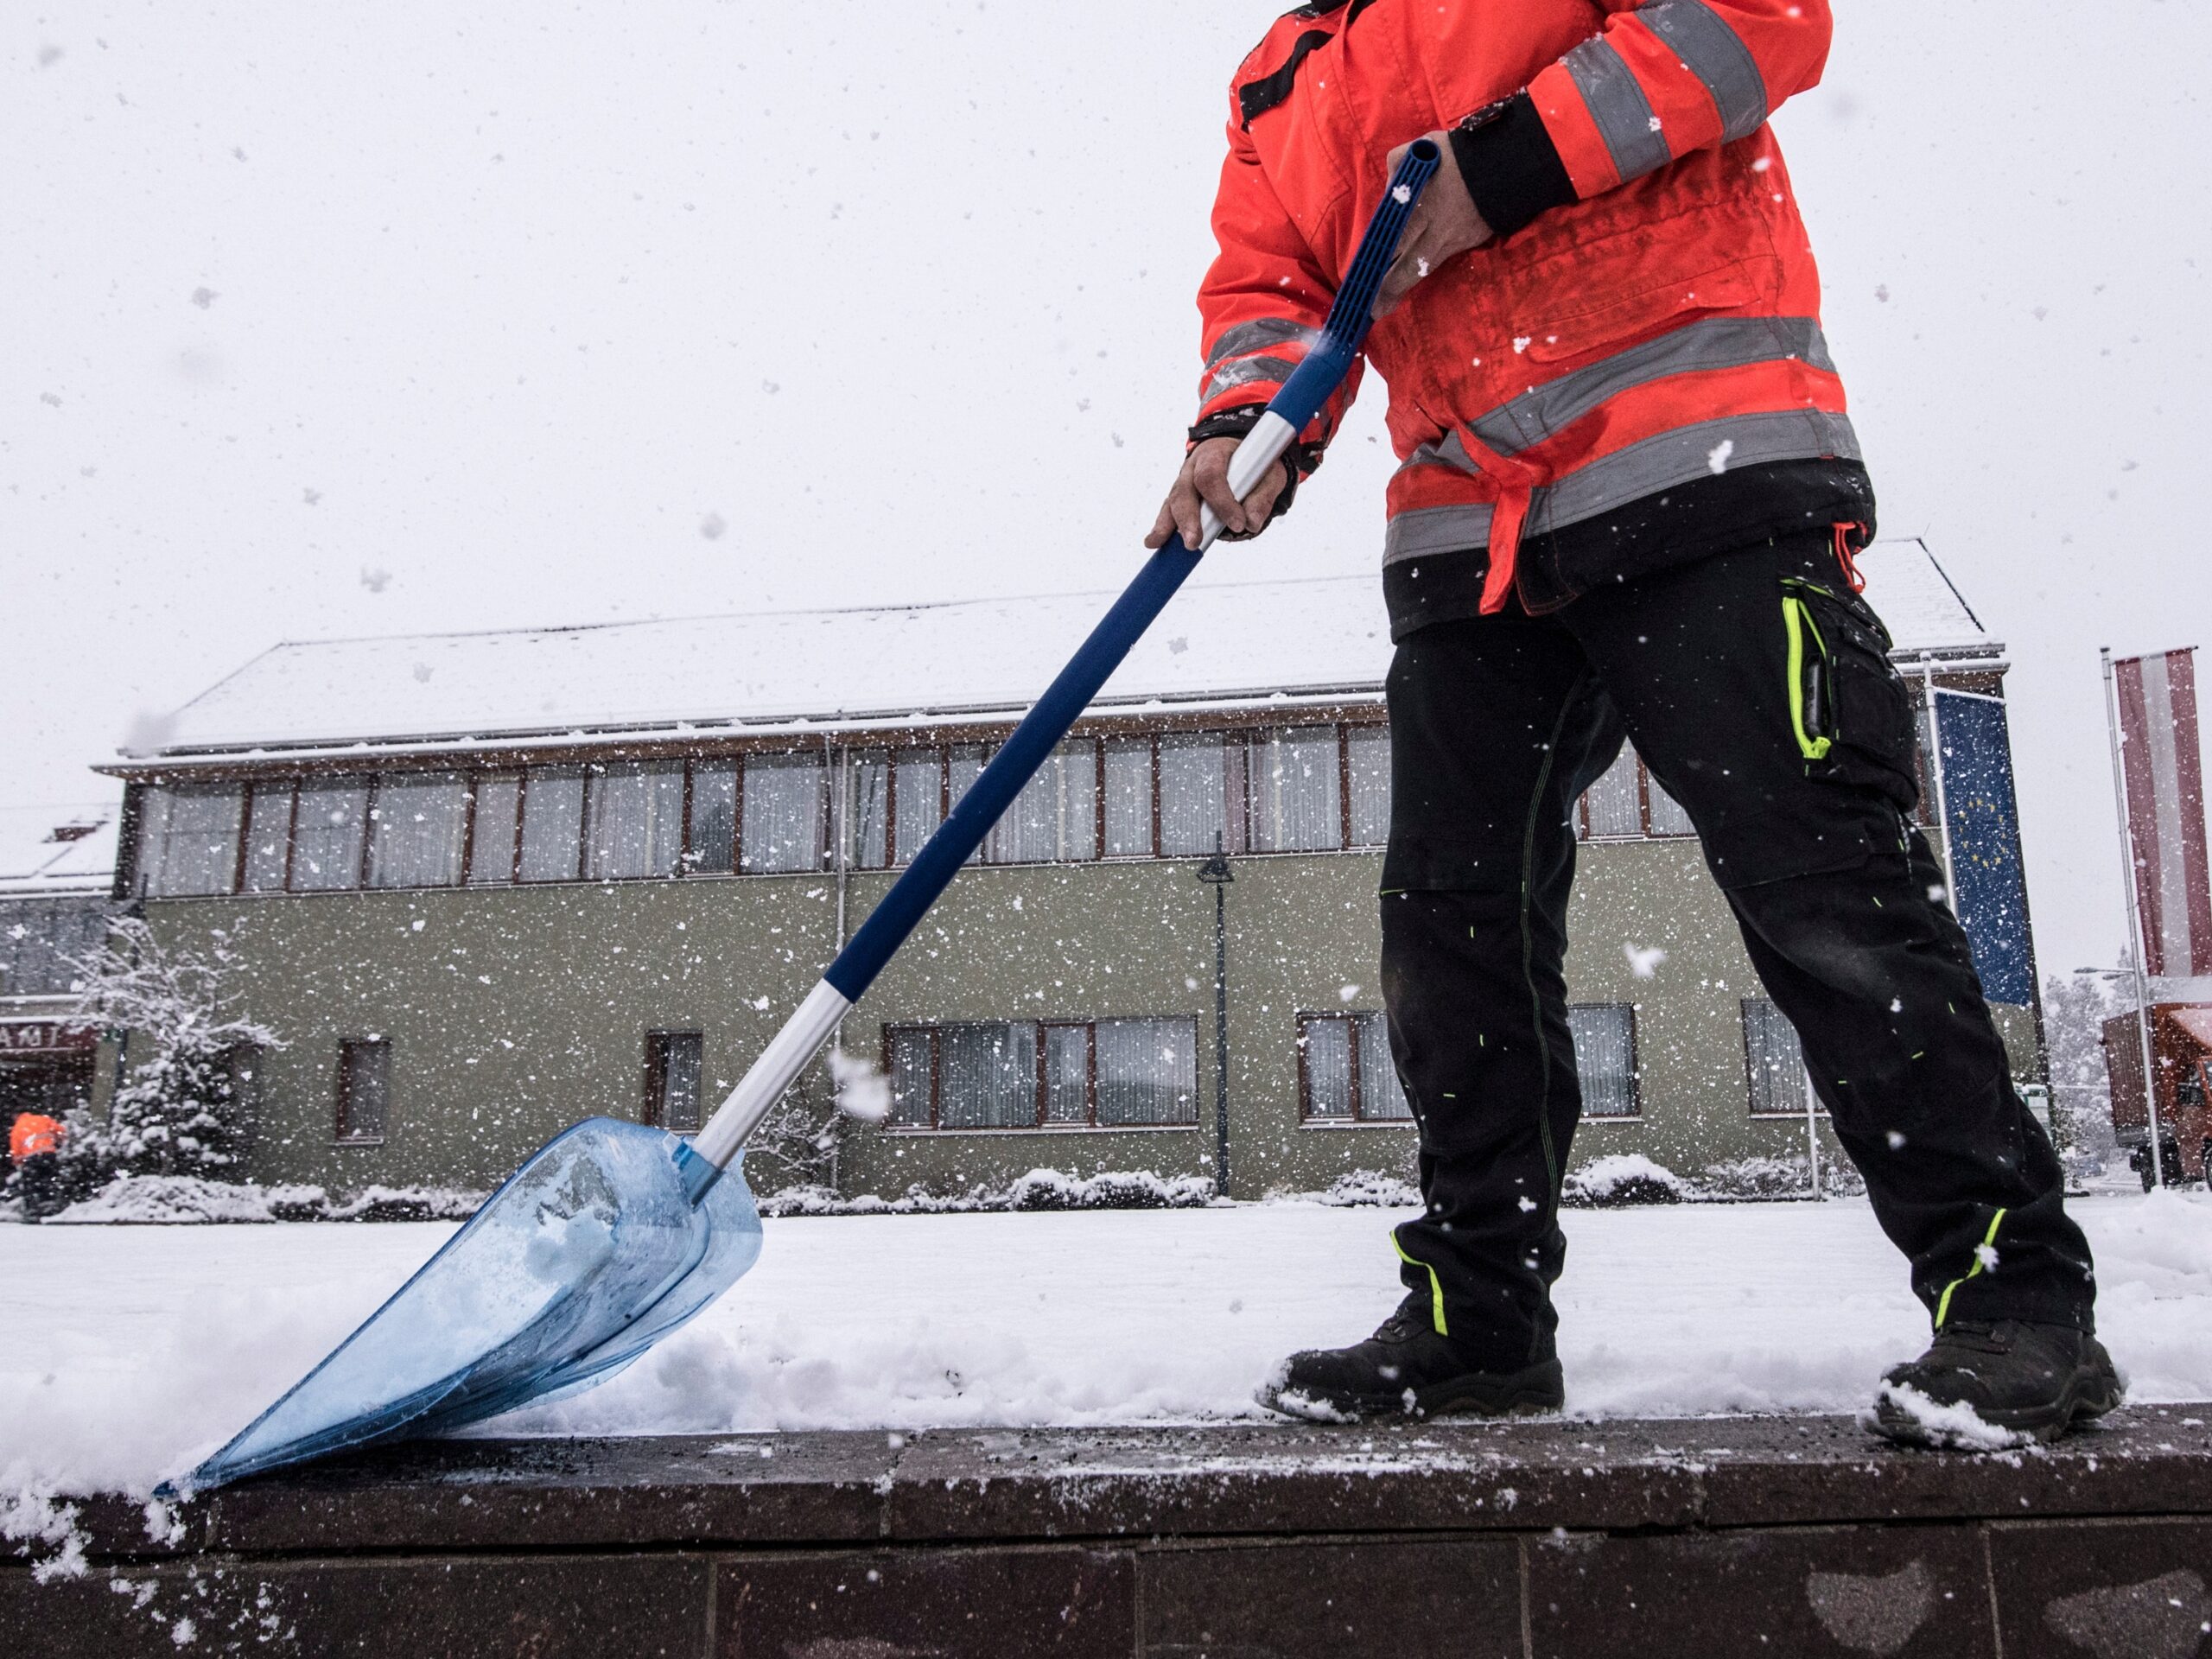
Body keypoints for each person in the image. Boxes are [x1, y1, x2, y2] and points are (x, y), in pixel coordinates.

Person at [1149, 0, 2114, 1446]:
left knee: (1822, 886)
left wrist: (1498, 167)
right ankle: (1479, 1322)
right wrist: (1246, 422)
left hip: (1700, 461)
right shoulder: (1284, 74)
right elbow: (1275, 284)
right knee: (1451, 927)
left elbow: (1756, 21)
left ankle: (2014, 1298)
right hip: (1465, 519)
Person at [10, 1110, 66, 1224]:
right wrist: (57, 1141)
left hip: (31, 1158)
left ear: (16, 1116)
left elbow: (15, 1149)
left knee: (31, 1184)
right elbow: (60, 1130)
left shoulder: (18, 1127)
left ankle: (32, 1211)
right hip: (49, 1154)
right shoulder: (43, 1119)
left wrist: (18, 1161)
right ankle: (50, 1206)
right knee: (48, 1180)